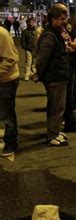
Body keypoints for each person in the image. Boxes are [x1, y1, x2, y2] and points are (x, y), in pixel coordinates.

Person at [35, 4, 70, 146]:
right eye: (61, 19)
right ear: (53, 19)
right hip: (55, 77)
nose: (64, 21)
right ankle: (52, 135)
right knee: (56, 107)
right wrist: (39, 75)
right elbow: (42, 59)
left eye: (65, 18)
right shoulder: (49, 35)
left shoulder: (56, 32)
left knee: (58, 107)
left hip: (59, 76)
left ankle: (55, 130)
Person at [0, 26, 20, 156]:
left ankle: (11, 142)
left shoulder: (2, 34)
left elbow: (11, 58)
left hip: (7, 79)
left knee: (6, 113)